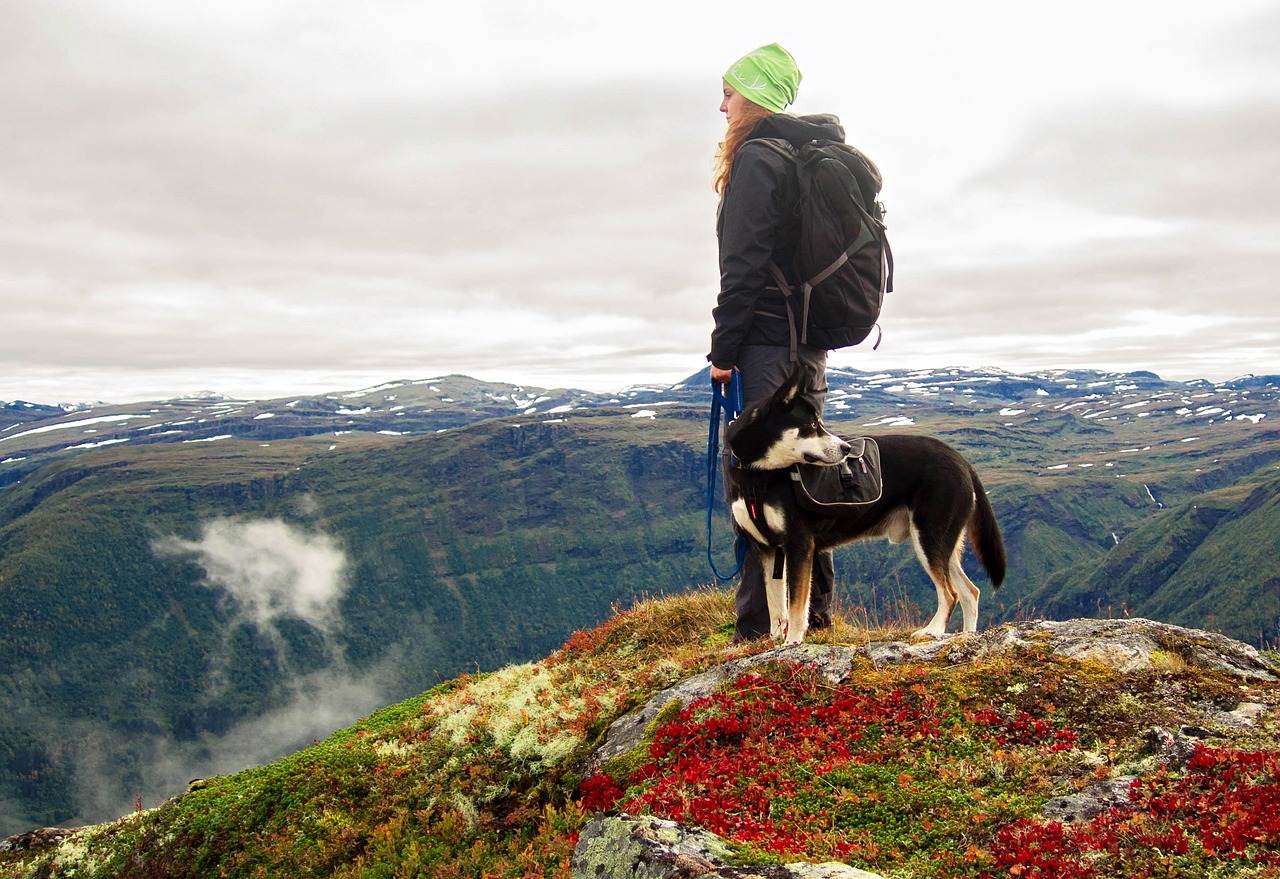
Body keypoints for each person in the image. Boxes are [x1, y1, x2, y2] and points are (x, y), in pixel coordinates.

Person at [707, 43, 840, 641]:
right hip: (805, 345)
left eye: (730, 92)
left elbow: (743, 267)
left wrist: (723, 350)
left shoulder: (759, 159)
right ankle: (812, 616)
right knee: (804, 475)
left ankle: (757, 629)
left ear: (755, 96)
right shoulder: (797, 155)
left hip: (766, 343)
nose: (722, 104)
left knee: (759, 482)